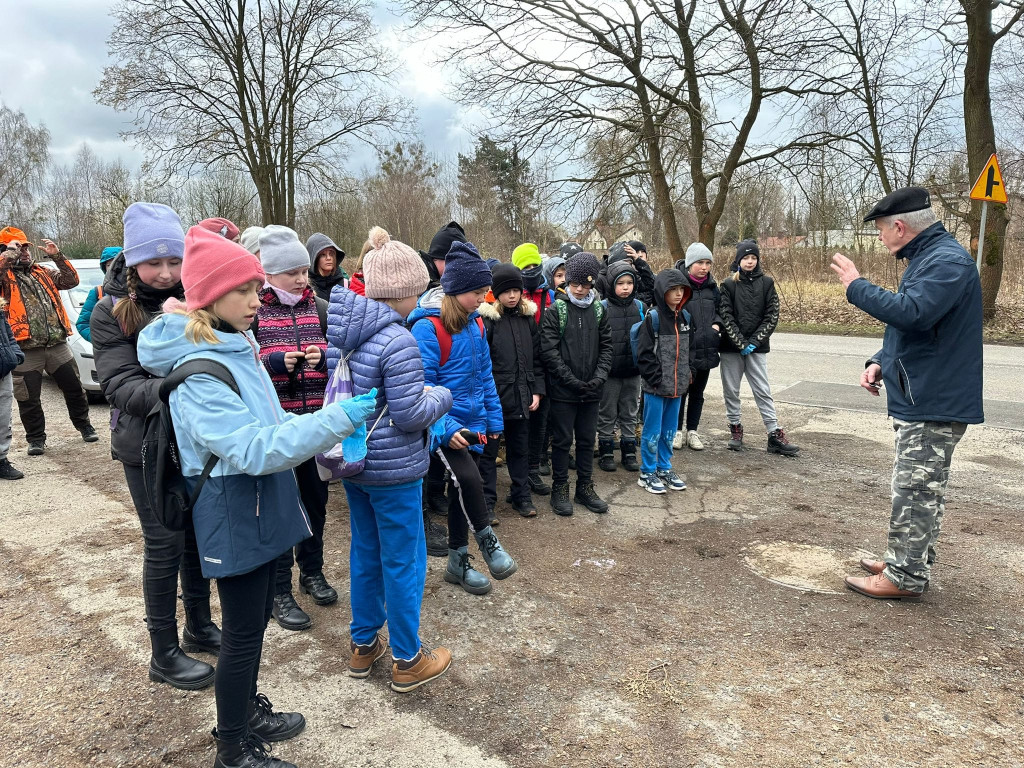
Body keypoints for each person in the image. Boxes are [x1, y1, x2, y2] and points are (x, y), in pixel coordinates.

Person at [138, 225, 376, 768]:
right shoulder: (200, 370)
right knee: (242, 633)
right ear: (209, 297)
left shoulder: (237, 343)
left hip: (261, 497)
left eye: (254, 287)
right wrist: (336, 420)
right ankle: (233, 747)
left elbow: (269, 425)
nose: (255, 299)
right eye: (242, 289)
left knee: (251, 627)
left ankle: (246, 713)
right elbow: (251, 448)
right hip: (233, 503)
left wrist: (322, 417)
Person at [91, 202, 221, 690]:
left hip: (192, 441)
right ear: (132, 260)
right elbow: (120, 386)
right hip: (144, 444)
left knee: (193, 536)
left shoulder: (199, 298)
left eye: (175, 262)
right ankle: (163, 652)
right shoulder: (111, 310)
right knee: (164, 541)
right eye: (154, 263)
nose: (166, 274)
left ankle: (200, 626)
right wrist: (180, 376)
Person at [831, 186, 983, 601]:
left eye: (880, 229)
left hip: (934, 398)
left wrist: (857, 285)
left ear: (900, 226)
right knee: (917, 487)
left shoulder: (946, 262)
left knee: (915, 490)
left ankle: (904, 577)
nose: (880, 237)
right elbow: (915, 325)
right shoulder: (930, 258)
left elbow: (912, 313)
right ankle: (905, 558)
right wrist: (879, 360)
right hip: (924, 393)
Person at [325, 225, 455, 692]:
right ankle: (407, 657)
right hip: (395, 471)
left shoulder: (348, 333)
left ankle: (363, 646)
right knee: (405, 560)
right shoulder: (397, 339)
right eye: (419, 289)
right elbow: (409, 412)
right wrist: (442, 395)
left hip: (357, 464)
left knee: (365, 551)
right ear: (404, 291)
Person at [410, 241, 518, 596]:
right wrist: (446, 428)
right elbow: (421, 387)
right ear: (455, 290)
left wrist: (494, 421)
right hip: (442, 426)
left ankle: (458, 563)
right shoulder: (427, 329)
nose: (484, 298)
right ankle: (487, 541)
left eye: (485, 291)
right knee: (469, 480)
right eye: (477, 292)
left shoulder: (477, 326)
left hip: (475, 423)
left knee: (459, 491)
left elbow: (484, 377)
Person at [251, 226, 336, 633]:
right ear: (269, 274)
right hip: (277, 428)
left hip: (314, 423)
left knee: (315, 503)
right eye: (293, 273)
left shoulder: (318, 307)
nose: (302, 279)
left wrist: (323, 358)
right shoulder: (254, 311)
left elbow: (340, 356)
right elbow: (246, 370)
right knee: (283, 508)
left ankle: (312, 571)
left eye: (304, 271)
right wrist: (274, 363)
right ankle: (280, 590)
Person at [0, 226, 96, 455]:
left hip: (56, 345)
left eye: (25, 247)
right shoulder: (4, 277)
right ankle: (36, 439)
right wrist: (8, 254)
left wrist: (57, 256)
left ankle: (84, 426)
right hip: (25, 348)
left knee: (74, 389)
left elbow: (71, 280)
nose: (24, 252)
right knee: (28, 399)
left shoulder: (43, 271)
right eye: (17, 247)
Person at [540, 251, 612, 516]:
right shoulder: (556, 310)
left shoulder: (598, 310)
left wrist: (599, 377)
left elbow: (607, 347)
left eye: (586, 284)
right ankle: (560, 487)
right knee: (561, 441)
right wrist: (570, 380)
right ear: (567, 282)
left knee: (585, 440)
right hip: (563, 390)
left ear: (593, 284)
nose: (580, 289)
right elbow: (549, 351)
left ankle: (585, 486)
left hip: (592, 389)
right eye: (575, 283)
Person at [718, 239, 799, 456]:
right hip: (731, 348)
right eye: (746, 258)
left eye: (753, 257)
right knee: (731, 390)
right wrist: (740, 343)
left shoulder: (767, 283)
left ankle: (774, 433)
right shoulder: (728, 285)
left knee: (763, 390)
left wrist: (754, 342)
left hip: (757, 347)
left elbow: (772, 315)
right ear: (738, 260)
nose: (750, 261)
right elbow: (726, 316)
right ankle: (735, 429)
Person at [478, 263, 545, 518]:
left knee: (520, 448)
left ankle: (521, 495)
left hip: (523, 395)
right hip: (496, 397)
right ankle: (486, 502)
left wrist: (536, 391)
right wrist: (487, 397)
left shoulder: (528, 319)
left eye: (516, 290)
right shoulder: (488, 321)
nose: (512, 296)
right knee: (490, 452)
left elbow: (537, 359)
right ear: (497, 293)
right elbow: (482, 363)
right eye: (506, 291)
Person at [636, 269, 694, 494]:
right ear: (662, 292)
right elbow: (644, 354)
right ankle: (647, 472)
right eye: (673, 290)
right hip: (656, 388)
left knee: (670, 431)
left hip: (678, 388)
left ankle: (664, 467)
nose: (679, 294)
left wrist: (690, 373)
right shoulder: (653, 319)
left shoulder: (686, 318)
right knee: (652, 431)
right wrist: (656, 379)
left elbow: (692, 350)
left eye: (682, 289)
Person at [673, 243, 722, 451]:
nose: (704, 267)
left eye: (708, 263)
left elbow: (721, 310)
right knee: (681, 391)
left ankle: (692, 431)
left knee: (698, 393)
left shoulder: (713, 288)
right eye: (700, 263)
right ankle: (676, 431)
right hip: (684, 348)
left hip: (706, 347)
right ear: (690, 263)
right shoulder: (680, 286)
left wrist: (717, 325)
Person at [596, 260, 643, 473]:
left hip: (633, 372)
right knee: (607, 412)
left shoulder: (640, 307)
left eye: (629, 283)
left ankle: (629, 451)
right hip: (610, 372)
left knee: (629, 411)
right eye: (620, 283)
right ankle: (606, 450)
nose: (625, 287)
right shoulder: (602, 308)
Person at [0, 296, 25, 480]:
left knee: (3, 418)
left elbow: (8, 335)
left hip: (3, 370)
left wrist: (15, 355)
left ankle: (1, 460)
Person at [76, 247, 123, 342]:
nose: (114, 267)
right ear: (104, 268)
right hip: (110, 353)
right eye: (109, 265)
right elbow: (83, 324)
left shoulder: (138, 291)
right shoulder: (98, 292)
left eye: (119, 263)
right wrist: (100, 341)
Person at [600, 240, 655, 306]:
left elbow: (650, 286)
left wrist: (639, 262)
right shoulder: (601, 279)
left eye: (629, 263)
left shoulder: (634, 276)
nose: (640, 254)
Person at [418, 221, 467, 291]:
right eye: (452, 262)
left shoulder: (434, 277)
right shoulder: (419, 280)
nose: (457, 269)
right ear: (436, 258)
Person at [305, 232, 348, 301]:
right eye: (323, 255)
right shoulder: (305, 290)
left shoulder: (346, 285)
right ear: (313, 258)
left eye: (331, 254)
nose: (328, 258)